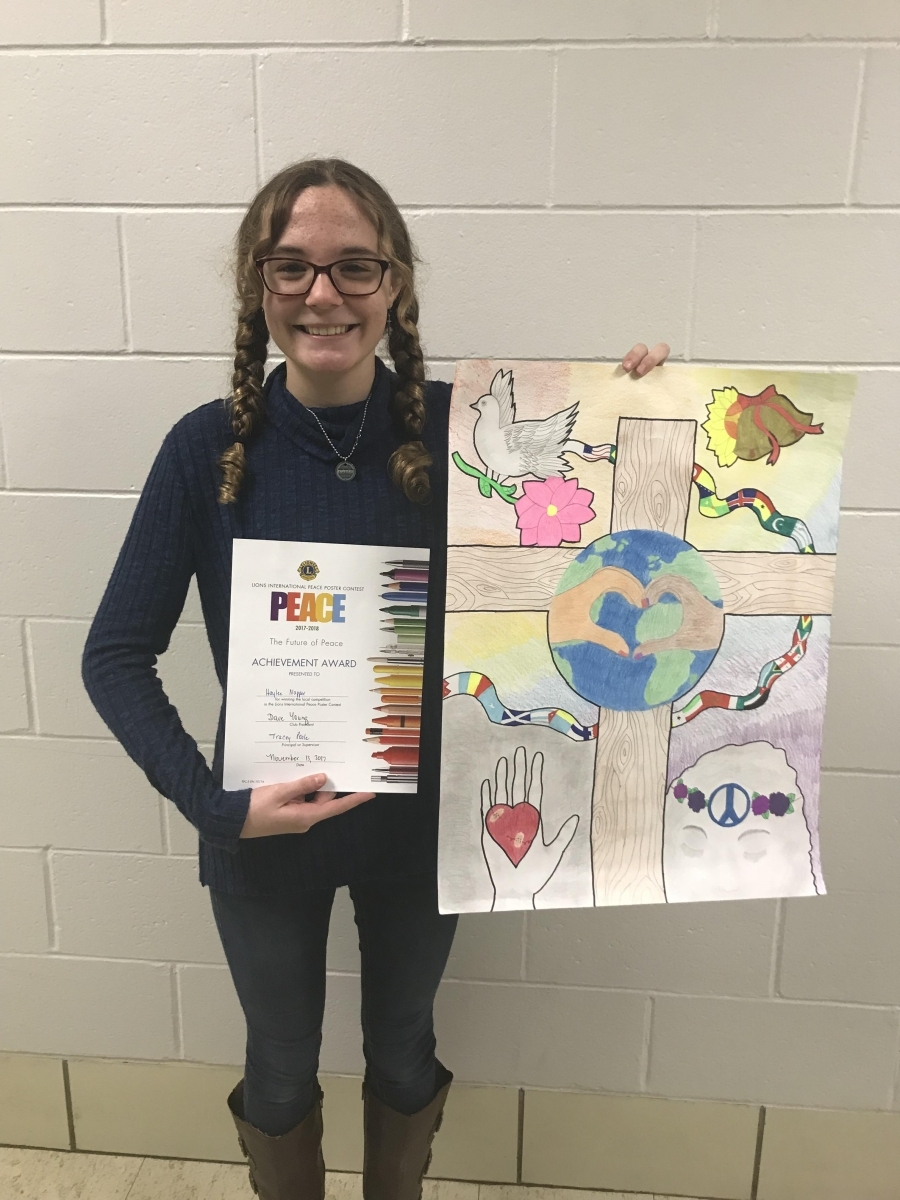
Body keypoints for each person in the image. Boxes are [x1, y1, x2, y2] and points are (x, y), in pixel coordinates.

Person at [82, 158, 669, 1200]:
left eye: (356, 267)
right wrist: (213, 804)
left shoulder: (474, 441)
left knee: (402, 1053)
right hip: (266, 837)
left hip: (418, 835)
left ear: (394, 284)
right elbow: (114, 655)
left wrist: (643, 414)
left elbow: (604, 555)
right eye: (293, 267)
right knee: (277, 1064)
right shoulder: (205, 449)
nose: (324, 293)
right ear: (256, 288)